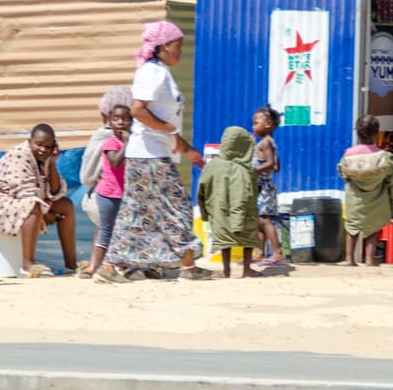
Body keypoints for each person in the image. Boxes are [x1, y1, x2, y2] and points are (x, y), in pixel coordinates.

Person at [104, 20, 212, 280]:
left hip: (148, 154)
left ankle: (111, 266)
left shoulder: (158, 71)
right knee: (178, 206)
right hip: (150, 156)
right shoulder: (154, 72)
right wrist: (172, 133)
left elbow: (163, 123)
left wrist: (187, 149)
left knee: (137, 213)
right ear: (164, 46)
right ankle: (188, 265)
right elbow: (138, 111)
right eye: (178, 46)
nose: (180, 51)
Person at [0, 123, 78, 277]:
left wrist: (52, 163)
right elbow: (25, 193)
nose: (43, 150)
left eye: (48, 146)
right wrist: (44, 216)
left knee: (66, 205)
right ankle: (27, 265)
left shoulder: (45, 158)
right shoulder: (20, 155)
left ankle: (71, 265)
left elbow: (55, 192)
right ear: (30, 141)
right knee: (33, 205)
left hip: (23, 202)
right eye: (39, 144)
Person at [197, 125, 261, 278]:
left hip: (219, 212)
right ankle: (246, 268)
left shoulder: (211, 166)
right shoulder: (247, 170)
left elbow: (201, 191)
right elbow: (253, 192)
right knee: (247, 239)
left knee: (225, 241)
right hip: (245, 212)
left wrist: (204, 213)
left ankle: (226, 271)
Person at [337, 115, 393, 267]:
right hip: (377, 199)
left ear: (357, 132)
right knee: (372, 229)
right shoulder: (384, 157)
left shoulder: (349, 154)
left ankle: (350, 259)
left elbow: (343, 173)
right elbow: (392, 182)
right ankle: (370, 260)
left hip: (355, 198)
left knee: (352, 229)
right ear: (377, 133)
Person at [85, 103, 130, 283]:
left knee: (123, 231)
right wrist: (127, 143)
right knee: (106, 230)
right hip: (108, 194)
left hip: (124, 195)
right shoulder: (111, 142)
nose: (121, 122)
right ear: (109, 122)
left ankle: (119, 266)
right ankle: (94, 266)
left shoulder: (132, 143)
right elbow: (116, 162)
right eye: (116, 119)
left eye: (126, 119)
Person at [251, 104, 286, 266]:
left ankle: (277, 252)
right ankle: (260, 253)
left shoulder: (264, 143)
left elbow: (271, 164)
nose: (253, 127)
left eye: (256, 123)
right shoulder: (271, 142)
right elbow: (277, 167)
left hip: (264, 188)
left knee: (264, 220)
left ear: (268, 124)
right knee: (260, 221)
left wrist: (254, 171)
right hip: (265, 187)